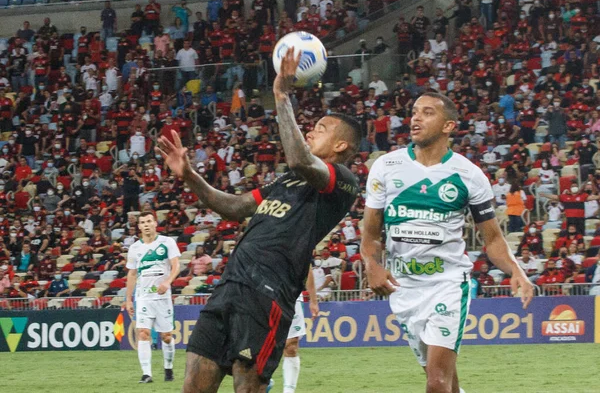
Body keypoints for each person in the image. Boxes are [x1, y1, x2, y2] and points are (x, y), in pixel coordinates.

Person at [157, 47, 359, 392]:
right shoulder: (285, 182)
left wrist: (281, 95)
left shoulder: (341, 181)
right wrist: (190, 175)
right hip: (230, 286)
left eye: (321, 129)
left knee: (247, 387)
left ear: (340, 146)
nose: (310, 132)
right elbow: (234, 207)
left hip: (268, 293)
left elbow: (299, 160)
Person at [361, 92, 534, 393]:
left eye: (427, 113)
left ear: (448, 126)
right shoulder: (385, 167)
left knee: (436, 383)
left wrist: (516, 270)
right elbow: (371, 234)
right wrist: (372, 264)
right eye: (414, 112)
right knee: (446, 383)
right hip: (404, 289)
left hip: (448, 284)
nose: (416, 118)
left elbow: (492, 238)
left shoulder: (469, 175)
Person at [125, 212, 181, 384]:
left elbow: (176, 265)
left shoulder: (167, 242)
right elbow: (132, 274)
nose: (146, 224)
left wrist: (168, 282)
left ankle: (168, 367)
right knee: (143, 333)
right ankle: (146, 374)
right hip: (143, 298)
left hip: (162, 297)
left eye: (149, 221)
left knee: (166, 336)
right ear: (139, 226)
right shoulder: (134, 248)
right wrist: (128, 299)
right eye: (142, 222)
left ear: (155, 223)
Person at [279, 269, 318, 393]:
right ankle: (263, 381)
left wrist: (313, 300)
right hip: (261, 294)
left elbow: (307, 268)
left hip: (291, 294)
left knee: (291, 346)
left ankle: (288, 390)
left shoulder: (298, 249)